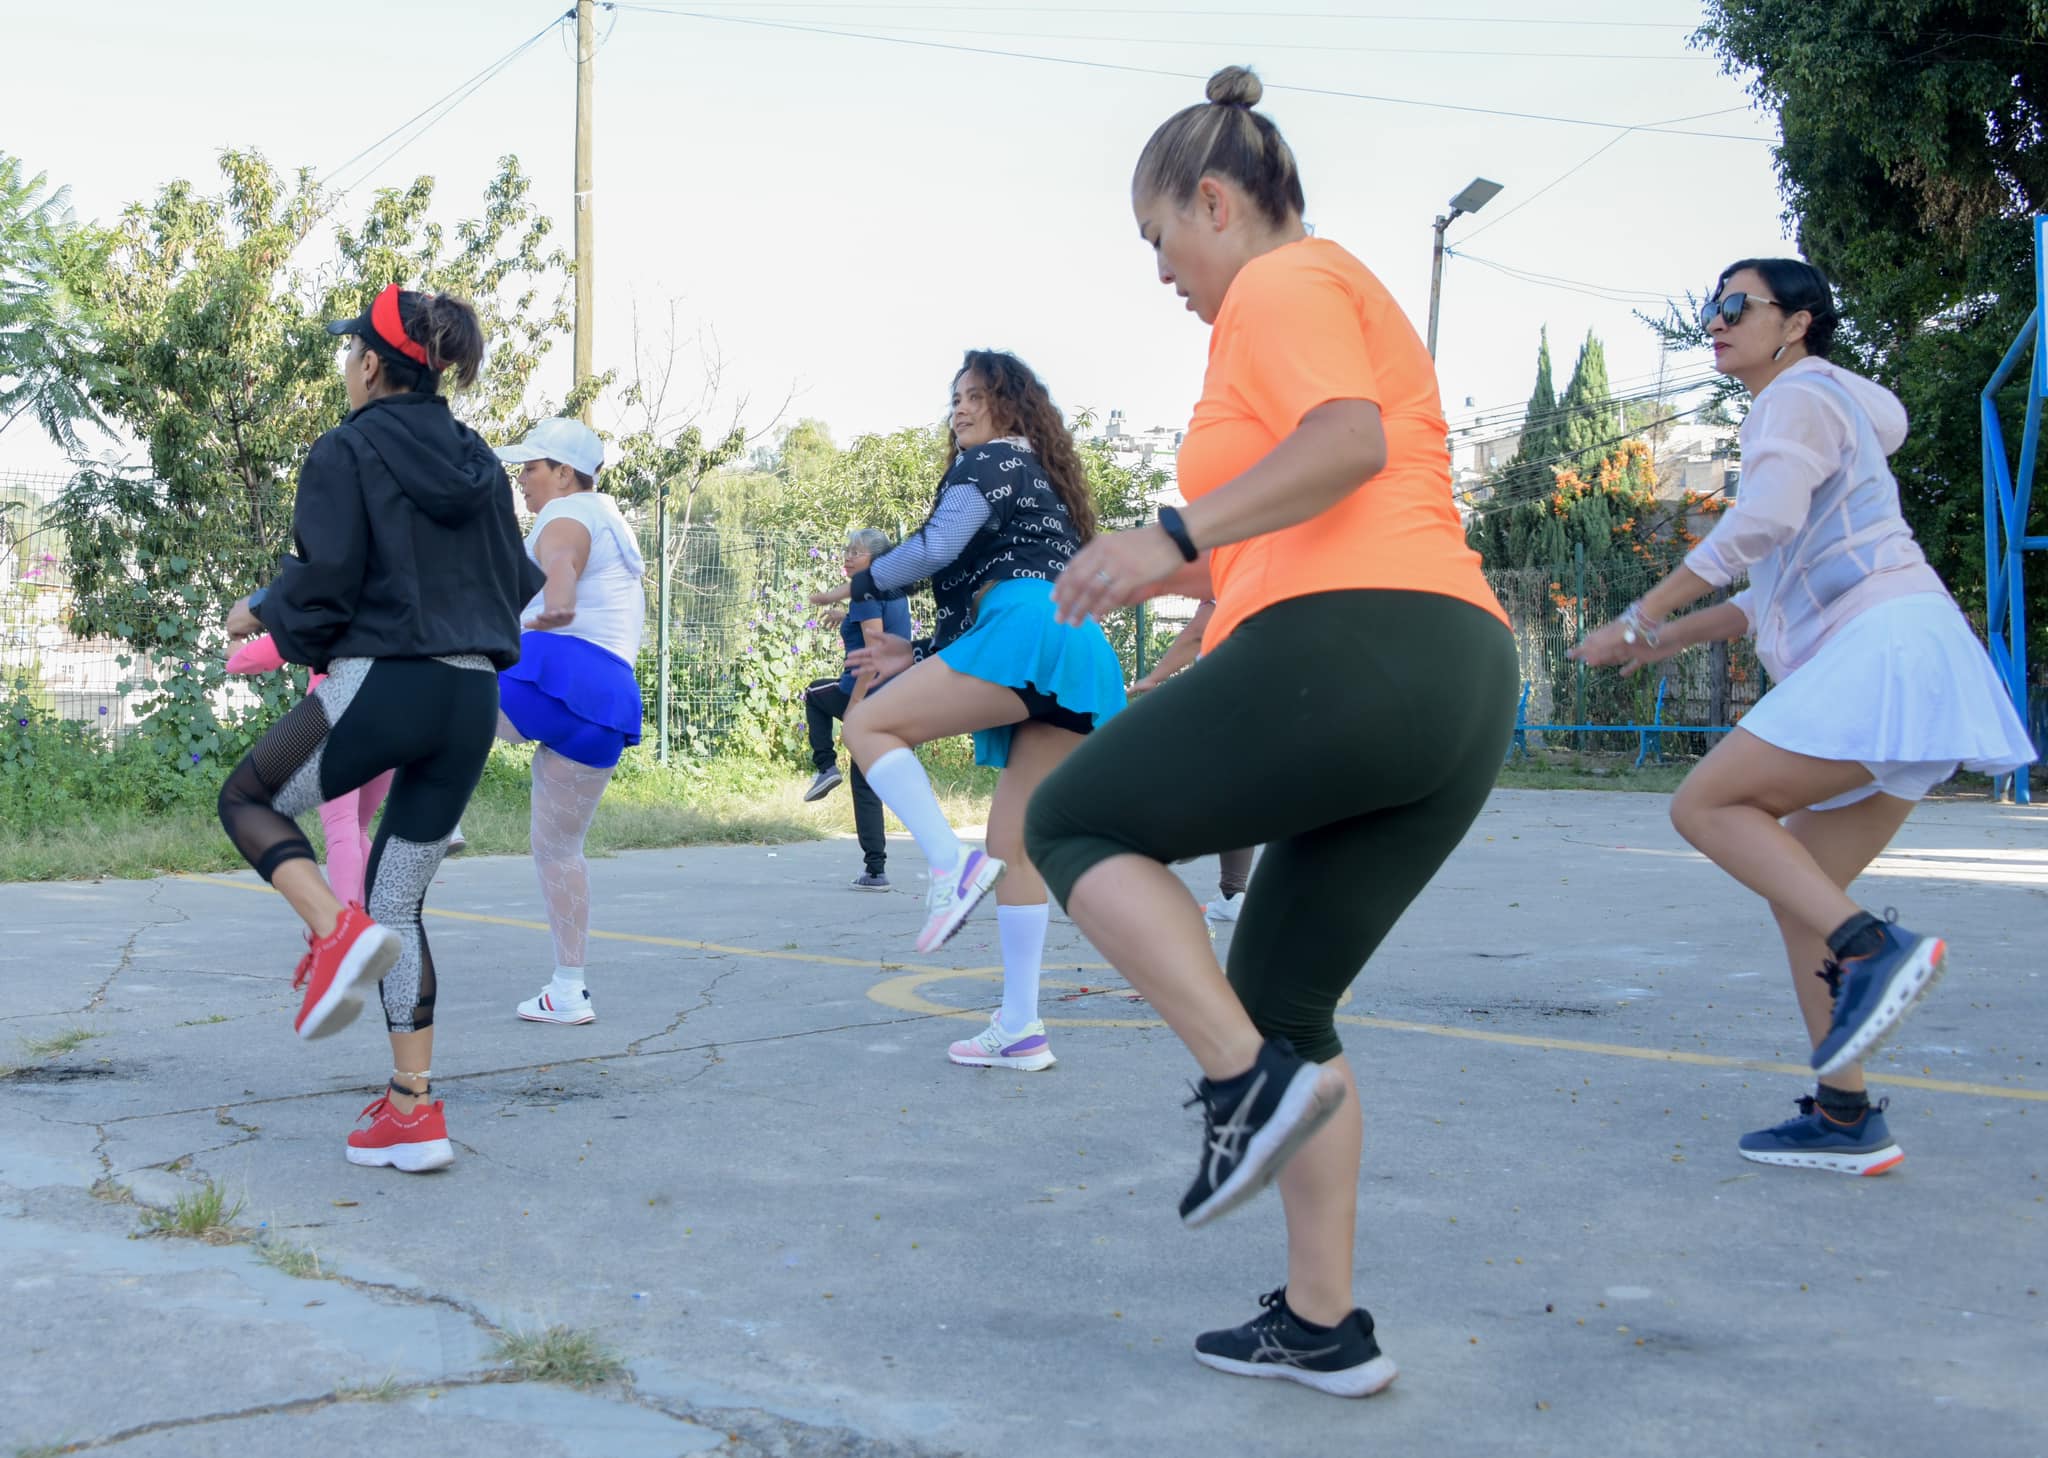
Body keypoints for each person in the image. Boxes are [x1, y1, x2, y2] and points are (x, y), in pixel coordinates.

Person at [1025, 66, 1519, 1397]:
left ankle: (1243, 1091)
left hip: (1368, 644)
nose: (1163, 270)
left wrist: (1176, 530)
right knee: (1289, 997)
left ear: (1217, 200)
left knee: (1071, 818)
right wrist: (1174, 574)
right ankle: (1323, 1320)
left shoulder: (1283, 283)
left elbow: (1346, 444)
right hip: (1455, 671)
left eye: (1159, 238)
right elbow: (1313, 508)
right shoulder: (1327, 295)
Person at [1569, 257, 2037, 1176]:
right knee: (1801, 901)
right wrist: (1651, 643)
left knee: (1705, 806)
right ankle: (1845, 1115)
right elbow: (1757, 597)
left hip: (1884, 654)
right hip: (1908, 660)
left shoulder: (1794, 398)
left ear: (1796, 324)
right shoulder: (1824, 410)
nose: (1715, 320)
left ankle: (1874, 947)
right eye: (1711, 305)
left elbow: (1758, 527)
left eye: (1736, 305)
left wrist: (1641, 612)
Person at [217, 284, 543, 1173]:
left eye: (347, 353)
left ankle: (332, 929)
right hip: (472, 700)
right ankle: (413, 1110)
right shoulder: (479, 460)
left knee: (247, 799)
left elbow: (324, 588)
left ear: (370, 364)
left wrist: (266, 614)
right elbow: (517, 582)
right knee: (399, 900)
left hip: (383, 686)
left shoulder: (345, 448)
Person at [813, 349, 1126, 1071]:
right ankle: (1019, 1026)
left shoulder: (988, 465)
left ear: (1011, 406)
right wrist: (915, 654)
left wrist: (860, 585)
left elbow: (939, 547)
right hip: (1073, 651)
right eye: (954, 397)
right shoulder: (1042, 481)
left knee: (866, 723)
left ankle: (948, 865)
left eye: (976, 396)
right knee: (1015, 846)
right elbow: (997, 590)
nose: (959, 410)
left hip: (1026, 635)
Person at [491, 416, 648, 1027]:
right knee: (558, 850)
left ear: (563, 472)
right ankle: (569, 988)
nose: (522, 478)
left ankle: (438, 816)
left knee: (439, 672)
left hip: (558, 670)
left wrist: (547, 608)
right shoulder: (612, 518)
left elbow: (561, 579)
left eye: (530, 467)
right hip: (606, 704)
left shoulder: (567, 514)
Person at [225, 633, 393, 907]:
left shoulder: (327, 598)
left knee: (342, 828)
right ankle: (372, 916)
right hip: (388, 719)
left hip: (336, 716)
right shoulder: (389, 600)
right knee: (359, 828)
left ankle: (347, 931)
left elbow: (277, 645)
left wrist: (236, 656)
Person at [1129, 597, 1256, 928]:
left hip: (1228, 702)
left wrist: (1154, 676)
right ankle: (1232, 896)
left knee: (1190, 789)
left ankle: (1153, 865)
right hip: (1271, 702)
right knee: (1239, 797)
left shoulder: (1227, 566)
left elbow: (1199, 632)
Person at [801, 528, 912, 890]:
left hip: (869, 692)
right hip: (898, 698)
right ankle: (875, 870)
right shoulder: (892, 591)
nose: (848, 556)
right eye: (847, 549)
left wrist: (856, 708)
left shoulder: (865, 593)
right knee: (865, 781)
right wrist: (843, 613)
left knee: (815, 693)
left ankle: (824, 765)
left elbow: (874, 649)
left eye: (857, 552)